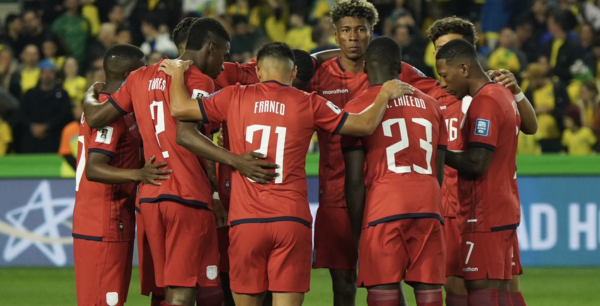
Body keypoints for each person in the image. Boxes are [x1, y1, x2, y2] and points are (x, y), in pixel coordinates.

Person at [158, 41, 414, 306]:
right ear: (293, 74)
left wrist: (177, 73)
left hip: (246, 220)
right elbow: (363, 125)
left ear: (257, 72)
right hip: (291, 221)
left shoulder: (233, 96)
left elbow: (179, 108)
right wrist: (384, 95)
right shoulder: (310, 102)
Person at [81, 17, 277, 306]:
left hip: (150, 199)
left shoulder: (139, 77)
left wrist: (88, 94)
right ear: (211, 48)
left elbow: (97, 117)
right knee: (184, 293)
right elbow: (187, 136)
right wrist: (237, 161)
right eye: (223, 55)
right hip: (186, 195)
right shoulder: (200, 81)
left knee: (169, 289)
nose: (223, 64)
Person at [426, 16, 537, 306]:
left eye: (450, 49)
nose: (442, 59)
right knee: (474, 286)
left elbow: (479, 160)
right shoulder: (436, 91)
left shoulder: (488, 94)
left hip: (480, 206)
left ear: (467, 54)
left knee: (490, 286)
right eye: (438, 51)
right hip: (456, 204)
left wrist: (434, 149)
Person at [342, 36, 447, 306]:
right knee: (430, 292)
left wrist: (358, 233)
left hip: (384, 206)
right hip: (428, 204)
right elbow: (438, 170)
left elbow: (354, 181)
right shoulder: (432, 105)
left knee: (383, 293)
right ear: (400, 67)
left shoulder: (356, 108)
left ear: (365, 66)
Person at [73, 44, 164, 306]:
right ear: (129, 75)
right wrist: (140, 174)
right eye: (142, 69)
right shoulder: (111, 116)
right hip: (104, 221)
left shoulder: (104, 107)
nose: (146, 74)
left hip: (108, 220)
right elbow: (95, 168)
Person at [17, 59, 71, 153]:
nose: (47, 75)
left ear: (54, 75)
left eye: (50, 72)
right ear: (40, 74)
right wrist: (32, 126)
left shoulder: (62, 94)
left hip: (53, 136)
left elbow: (64, 114)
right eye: (45, 72)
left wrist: (47, 126)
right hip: (31, 137)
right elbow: (22, 113)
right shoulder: (30, 93)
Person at [51, 0, 91, 67]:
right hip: (66, 60)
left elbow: (89, 39)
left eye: (75, 1)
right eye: (70, 1)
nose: (73, 4)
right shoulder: (59, 22)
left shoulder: (85, 21)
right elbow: (56, 41)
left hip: (84, 60)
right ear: (65, 3)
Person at [58, 101, 82, 177]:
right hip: (70, 174)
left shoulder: (96, 128)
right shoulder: (69, 129)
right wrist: (81, 171)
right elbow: (66, 154)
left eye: (78, 108)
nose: (75, 111)